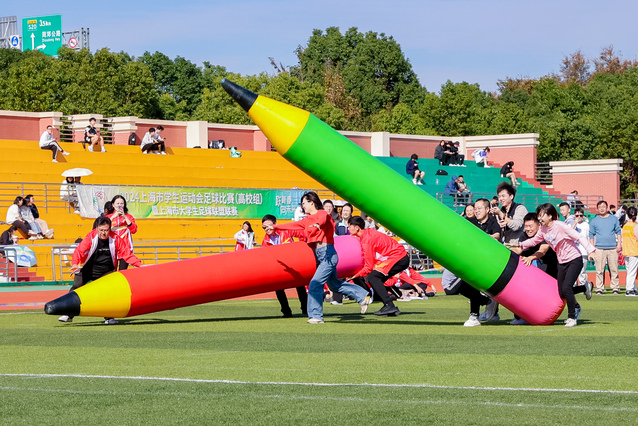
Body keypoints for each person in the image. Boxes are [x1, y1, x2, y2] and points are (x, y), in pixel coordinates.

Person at [265, 191, 372, 324]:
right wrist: (274, 227)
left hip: (327, 253)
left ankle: (316, 316)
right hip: (320, 255)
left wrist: (318, 225)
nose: (303, 206)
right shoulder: (306, 220)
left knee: (315, 283)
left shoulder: (321, 213)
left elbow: (323, 219)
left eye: (304, 203)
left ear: (311, 202)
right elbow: (291, 226)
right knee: (335, 285)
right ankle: (363, 296)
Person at [516, 203, 596, 327]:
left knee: (568, 287)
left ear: (550, 216)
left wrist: (591, 250)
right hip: (562, 262)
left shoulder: (560, 226)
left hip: (574, 259)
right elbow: (533, 241)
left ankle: (572, 317)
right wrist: (521, 245)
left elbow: (579, 237)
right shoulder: (542, 229)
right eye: (539, 215)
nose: (540, 218)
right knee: (562, 292)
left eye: (542, 215)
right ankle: (585, 288)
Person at [58, 216, 143, 325]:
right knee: (76, 287)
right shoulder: (90, 237)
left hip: (106, 271)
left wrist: (140, 265)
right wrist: (75, 263)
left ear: (110, 229)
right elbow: (79, 251)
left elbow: (127, 254)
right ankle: (68, 314)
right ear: (97, 228)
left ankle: (109, 318)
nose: (103, 233)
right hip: (88, 269)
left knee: (108, 293)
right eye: (101, 230)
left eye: (106, 230)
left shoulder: (116, 238)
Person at [347, 215, 410, 316]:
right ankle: (390, 306)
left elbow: (368, 266)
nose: (348, 228)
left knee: (373, 277)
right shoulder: (368, 233)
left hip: (398, 257)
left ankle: (389, 306)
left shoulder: (366, 240)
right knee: (376, 279)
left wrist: (355, 276)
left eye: (349, 226)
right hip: (400, 257)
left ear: (357, 227)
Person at [261, 214, 308, 317]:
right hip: (277, 267)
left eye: (268, 226)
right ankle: (286, 311)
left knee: (300, 286)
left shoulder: (285, 232)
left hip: (292, 264)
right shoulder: (265, 240)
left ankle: (305, 309)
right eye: (264, 227)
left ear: (275, 224)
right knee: (279, 288)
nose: (266, 229)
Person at [589, 200, 622, 295]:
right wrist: (592, 247)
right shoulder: (595, 220)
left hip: (612, 248)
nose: (602, 208)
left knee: (614, 269)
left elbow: (618, 232)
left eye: (603, 206)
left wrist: (619, 244)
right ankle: (599, 288)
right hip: (599, 249)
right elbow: (591, 234)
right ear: (597, 209)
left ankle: (615, 287)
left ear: (607, 208)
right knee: (599, 269)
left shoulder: (613, 219)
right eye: (600, 207)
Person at [106, 195, 138, 270]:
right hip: (112, 247)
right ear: (113, 205)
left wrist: (125, 217)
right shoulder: (108, 217)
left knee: (122, 271)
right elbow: (104, 227)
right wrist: (113, 217)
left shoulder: (129, 216)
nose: (120, 205)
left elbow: (134, 230)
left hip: (125, 248)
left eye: (122, 203)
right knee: (111, 271)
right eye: (117, 203)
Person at [573, 207, 593, 290]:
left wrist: (590, 251)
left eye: (581, 215)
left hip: (583, 251)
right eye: (577, 215)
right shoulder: (572, 224)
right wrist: (574, 223)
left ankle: (583, 286)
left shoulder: (586, 225)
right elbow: (569, 233)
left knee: (582, 271)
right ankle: (573, 286)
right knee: (573, 270)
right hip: (574, 251)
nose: (579, 217)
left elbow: (589, 238)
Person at [621, 206, 638, 297]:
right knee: (632, 272)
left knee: (630, 271)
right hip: (634, 251)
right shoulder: (635, 226)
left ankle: (633, 288)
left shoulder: (625, 226)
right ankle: (630, 289)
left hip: (626, 251)